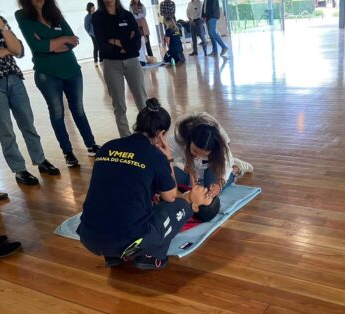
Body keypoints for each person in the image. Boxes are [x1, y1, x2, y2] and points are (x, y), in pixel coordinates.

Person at [77, 98, 212, 270]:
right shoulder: (155, 156)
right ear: (162, 134)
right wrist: (170, 162)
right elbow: (172, 197)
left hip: (89, 237)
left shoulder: (106, 147)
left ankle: (112, 256)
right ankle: (151, 256)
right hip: (127, 241)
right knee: (182, 206)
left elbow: (118, 184)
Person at [15, 0, 100, 168]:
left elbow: (73, 41)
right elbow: (36, 46)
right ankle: (68, 152)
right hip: (47, 73)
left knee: (79, 110)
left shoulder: (55, 14)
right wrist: (62, 40)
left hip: (71, 69)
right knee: (57, 113)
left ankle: (91, 144)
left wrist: (51, 45)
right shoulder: (22, 16)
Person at [0, 15, 59, 185]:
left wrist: (2, 28)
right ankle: (19, 170)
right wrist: (6, 50)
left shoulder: (1, 21)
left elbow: (19, 50)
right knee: (6, 130)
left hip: (14, 78)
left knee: (28, 122)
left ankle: (40, 160)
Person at [93, 0, 148, 138]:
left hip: (132, 62)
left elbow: (136, 42)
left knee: (142, 100)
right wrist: (125, 42)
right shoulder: (98, 17)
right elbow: (102, 43)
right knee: (119, 105)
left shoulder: (128, 15)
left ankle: (148, 134)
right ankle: (126, 137)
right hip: (111, 65)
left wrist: (115, 41)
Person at [168, 112, 253, 198]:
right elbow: (170, 159)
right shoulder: (176, 139)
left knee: (211, 192)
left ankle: (235, 169)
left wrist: (219, 184)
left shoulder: (220, 147)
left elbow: (225, 166)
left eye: (204, 155)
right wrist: (188, 169)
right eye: (195, 151)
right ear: (189, 140)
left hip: (214, 164)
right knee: (171, 183)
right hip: (185, 162)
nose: (197, 157)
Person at [84, 2, 102, 67]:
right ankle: (96, 61)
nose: (94, 8)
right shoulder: (88, 16)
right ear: (89, 8)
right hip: (93, 34)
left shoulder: (97, 14)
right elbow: (86, 27)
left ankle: (100, 60)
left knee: (99, 46)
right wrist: (90, 33)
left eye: (94, 6)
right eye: (92, 7)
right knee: (96, 47)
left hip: (99, 33)